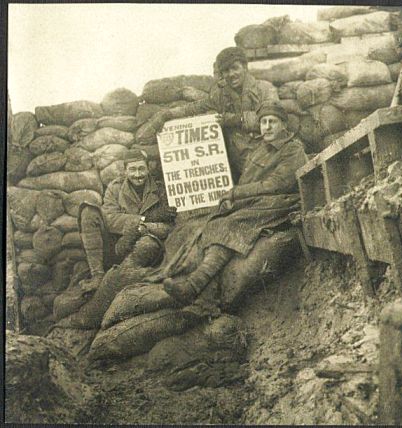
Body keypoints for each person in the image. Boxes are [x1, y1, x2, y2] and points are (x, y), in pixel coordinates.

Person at [161, 100, 308, 314]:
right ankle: (203, 296)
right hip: (259, 201)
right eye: (263, 122)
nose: (266, 126)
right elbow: (249, 180)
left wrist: (237, 194)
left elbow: (279, 184)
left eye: (272, 122)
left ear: (284, 125)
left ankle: (194, 286)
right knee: (215, 222)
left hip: (280, 202)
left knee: (231, 223)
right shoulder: (261, 149)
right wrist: (234, 198)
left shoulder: (292, 148)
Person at [153, 46, 279, 182]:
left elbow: (274, 120)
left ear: (245, 67)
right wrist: (167, 114)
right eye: (226, 70)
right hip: (243, 162)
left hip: (269, 157)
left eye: (235, 68)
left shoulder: (264, 89)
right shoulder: (221, 95)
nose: (231, 74)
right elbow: (196, 107)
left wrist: (236, 119)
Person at [78, 149, 176, 291]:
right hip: (117, 245)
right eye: (133, 169)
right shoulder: (115, 188)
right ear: (125, 171)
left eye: (142, 169)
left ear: (148, 169)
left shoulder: (160, 189)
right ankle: (97, 275)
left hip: (145, 246)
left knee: (147, 245)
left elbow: (169, 224)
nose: (138, 174)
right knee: (89, 211)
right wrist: (146, 218)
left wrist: (145, 226)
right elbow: (110, 218)